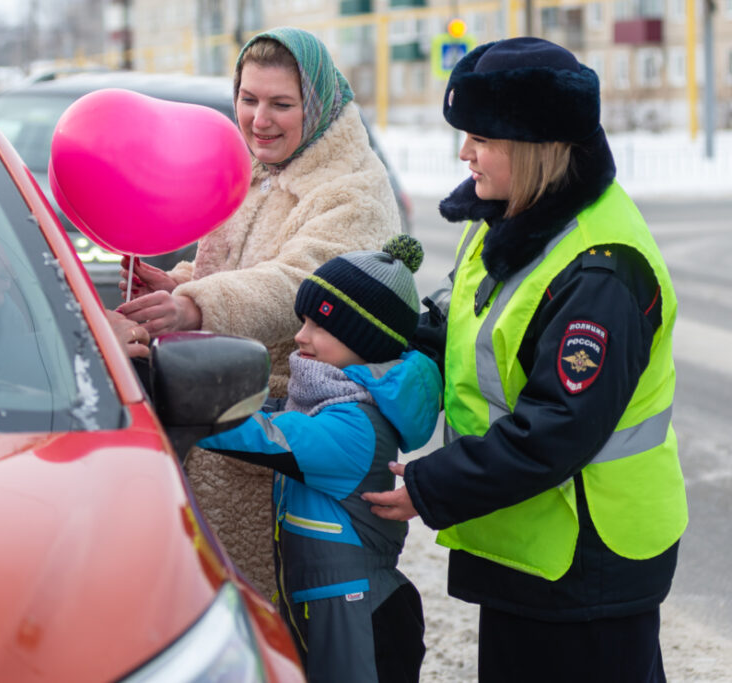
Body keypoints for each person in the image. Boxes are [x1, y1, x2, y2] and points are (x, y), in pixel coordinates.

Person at [361, 37, 688, 682]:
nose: (464, 154)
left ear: (534, 145)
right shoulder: (508, 221)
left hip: (588, 564)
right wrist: (358, 347)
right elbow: (455, 326)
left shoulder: (602, 270)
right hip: (533, 550)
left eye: (481, 138)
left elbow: (556, 430)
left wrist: (430, 487)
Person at [115, 26, 401, 596]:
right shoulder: (257, 172)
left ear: (315, 105)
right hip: (225, 409)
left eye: (281, 104)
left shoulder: (353, 191)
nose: (259, 119)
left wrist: (194, 307)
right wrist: (176, 283)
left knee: (272, 615)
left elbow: (300, 282)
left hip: (291, 435)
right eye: (248, 100)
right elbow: (232, 270)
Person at [198, 235, 439, 682]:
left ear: (365, 341)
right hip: (329, 604)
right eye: (302, 319)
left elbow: (259, 435)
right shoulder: (328, 402)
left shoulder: (354, 426)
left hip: (359, 616)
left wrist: (172, 396)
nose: (299, 335)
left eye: (318, 326)